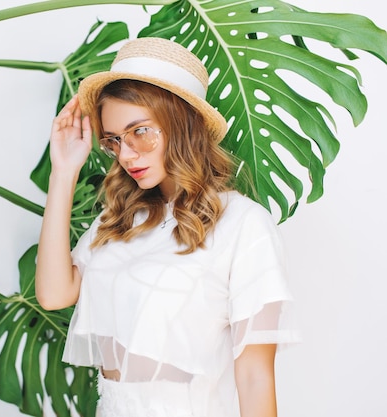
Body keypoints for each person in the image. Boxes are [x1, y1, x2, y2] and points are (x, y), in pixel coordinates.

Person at [35, 37, 298, 417]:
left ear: (183, 123)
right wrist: (63, 171)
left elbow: (255, 376)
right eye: (115, 140)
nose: (126, 155)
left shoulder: (243, 224)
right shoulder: (122, 220)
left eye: (140, 131)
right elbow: (54, 294)